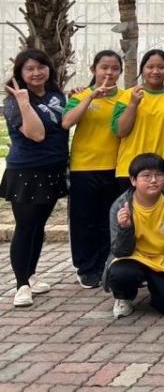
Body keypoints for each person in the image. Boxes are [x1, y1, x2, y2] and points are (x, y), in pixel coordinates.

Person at [1, 49, 69, 307]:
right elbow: (37, 133)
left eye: (41, 66)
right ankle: (20, 285)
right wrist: (24, 102)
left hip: (53, 168)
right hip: (27, 171)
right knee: (26, 227)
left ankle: (30, 274)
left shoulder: (55, 95)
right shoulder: (14, 102)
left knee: (39, 225)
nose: (36, 72)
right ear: (20, 73)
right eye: (29, 69)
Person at [105, 153, 164, 319]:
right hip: (133, 257)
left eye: (158, 175)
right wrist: (125, 228)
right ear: (133, 180)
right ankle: (124, 296)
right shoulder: (120, 206)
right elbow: (120, 251)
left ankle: (157, 288)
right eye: (146, 176)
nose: (153, 180)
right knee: (120, 274)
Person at [62, 50, 124, 289]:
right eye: (104, 68)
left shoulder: (125, 97)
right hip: (84, 167)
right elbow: (67, 122)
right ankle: (86, 268)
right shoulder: (81, 95)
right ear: (93, 70)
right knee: (84, 220)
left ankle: (107, 263)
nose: (109, 73)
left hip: (115, 167)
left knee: (108, 220)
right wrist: (90, 97)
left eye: (114, 68)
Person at [113, 49, 164, 189]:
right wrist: (133, 104)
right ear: (142, 69)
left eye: (161, 67)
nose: (155, 71)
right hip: (130, 169)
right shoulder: (128, 95)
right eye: (150, 67)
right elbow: (120, 130)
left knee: (163, 210)